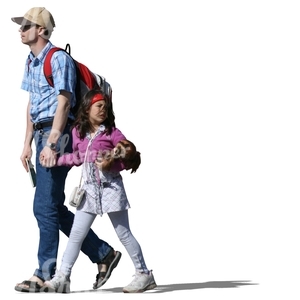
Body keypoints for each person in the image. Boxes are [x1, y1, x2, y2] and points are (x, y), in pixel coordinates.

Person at [12, 7, 121, 293]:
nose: (21, 29)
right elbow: (32, 104)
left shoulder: (57, 58)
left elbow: (64, 101)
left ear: (42, 30)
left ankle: (46, 274)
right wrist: (27, 142)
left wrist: (51, 143)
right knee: (51, 206)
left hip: (57, 133)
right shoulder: (31, 61)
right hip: (41, 131)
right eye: (21, 25)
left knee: (43, 207)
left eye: (27, 25)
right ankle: (102, 254)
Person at [43, 89, 157, 293]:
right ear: (87, 108)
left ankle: (144, 274)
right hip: (89, 191)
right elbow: (77, 157)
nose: (103, 109)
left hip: (111, 189)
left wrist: (110, 164)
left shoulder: (112, 133)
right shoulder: (78, 133)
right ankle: (62, 277)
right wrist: (57, 161)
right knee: (77, 233)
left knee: (123, 233)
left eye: (106, 106)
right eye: (99, 106)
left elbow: (126, 158)